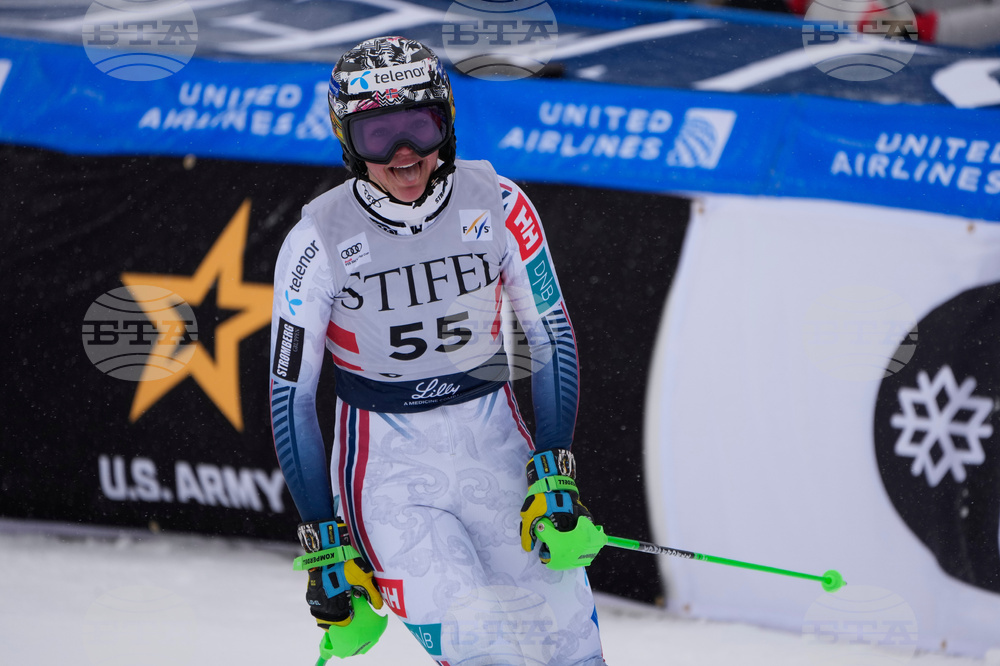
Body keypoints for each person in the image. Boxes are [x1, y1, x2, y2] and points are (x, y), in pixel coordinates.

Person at [268, 35, 608, 664]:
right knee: (483, 647)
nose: (403, 155)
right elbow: (290, 396)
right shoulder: (316, 239)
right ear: (346, 140)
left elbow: (551, 333)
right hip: (389, 475)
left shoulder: (501, 203)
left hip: (496, 452)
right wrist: (324, 539)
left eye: (419, 128)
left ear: (446, 124)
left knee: (570, 648)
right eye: (377, 136)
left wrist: (554, 469)